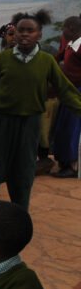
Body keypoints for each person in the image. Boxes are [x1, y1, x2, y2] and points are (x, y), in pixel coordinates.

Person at [0, 10, 81, 208]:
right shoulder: (4, 59)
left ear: (39, 34)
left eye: (30, 31)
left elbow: (65, 90)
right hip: (0, 123)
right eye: (20, 30)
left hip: (29, 125)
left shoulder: (46, 61)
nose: (24, 34)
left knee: (23, 174)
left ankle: (19, 218)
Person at [52, 16, 81, 177]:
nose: (62, 32)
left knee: (72, 128)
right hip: (68, 91)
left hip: (77, 92)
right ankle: (63, 161)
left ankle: (72, 165)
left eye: (64, 28)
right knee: (63, 127)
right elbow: (56, 59)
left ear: (72, 29)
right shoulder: (71, 46)